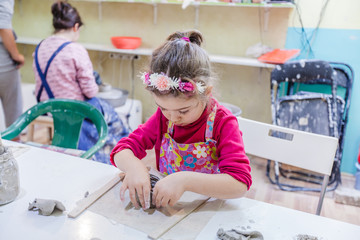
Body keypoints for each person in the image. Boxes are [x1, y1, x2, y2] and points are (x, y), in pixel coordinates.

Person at [110, 30, 252, 210]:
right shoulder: (164, 117)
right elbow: (121, 150)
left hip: (208, 208)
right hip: (171, 207)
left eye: (183, 110)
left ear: (206, 93)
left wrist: (185, 180)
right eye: (163, 108)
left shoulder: (222, 122)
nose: (173, 118)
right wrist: (134, 168)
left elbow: (240, 184)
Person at [32, 1, 128, 164]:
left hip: (47, 107)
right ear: (76, 27)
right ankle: (109, 156)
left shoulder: (40, 46)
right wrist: (95, 82)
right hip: (73, 109)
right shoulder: (75, 49)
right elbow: (90, 91)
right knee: (113, 121)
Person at [0, 0, 25, 128]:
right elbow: (3, 26)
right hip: (3, 61)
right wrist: (17, 56)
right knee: (14, 120)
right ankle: (15, 144)